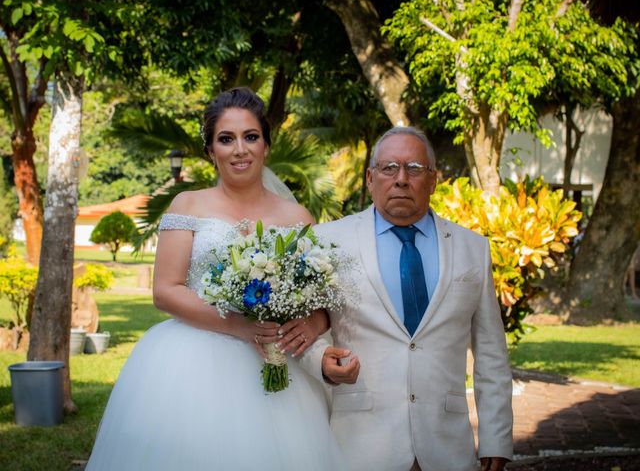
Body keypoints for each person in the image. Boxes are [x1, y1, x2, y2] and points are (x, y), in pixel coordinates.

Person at [86, 87, 346, 470]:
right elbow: (166, 291)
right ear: (211, 151)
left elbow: (321, 295)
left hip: (278, 368)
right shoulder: (188, 205)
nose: (239, 149)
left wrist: (313, 322)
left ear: (266, 146)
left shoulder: (299, 217)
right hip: (192, 365)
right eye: (226, 139)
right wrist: (241, 326)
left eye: (250, 137)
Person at [300, 126, 513, 471]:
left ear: (433, 180)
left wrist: (497, 437)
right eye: (388, 168)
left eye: (414, 169)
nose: (401, 179)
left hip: (448, 447)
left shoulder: (473, 248)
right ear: (370, 178)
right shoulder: (327, 242)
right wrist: (320, 362)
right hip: (360, 445)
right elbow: (301, 332)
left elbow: (491, 352)